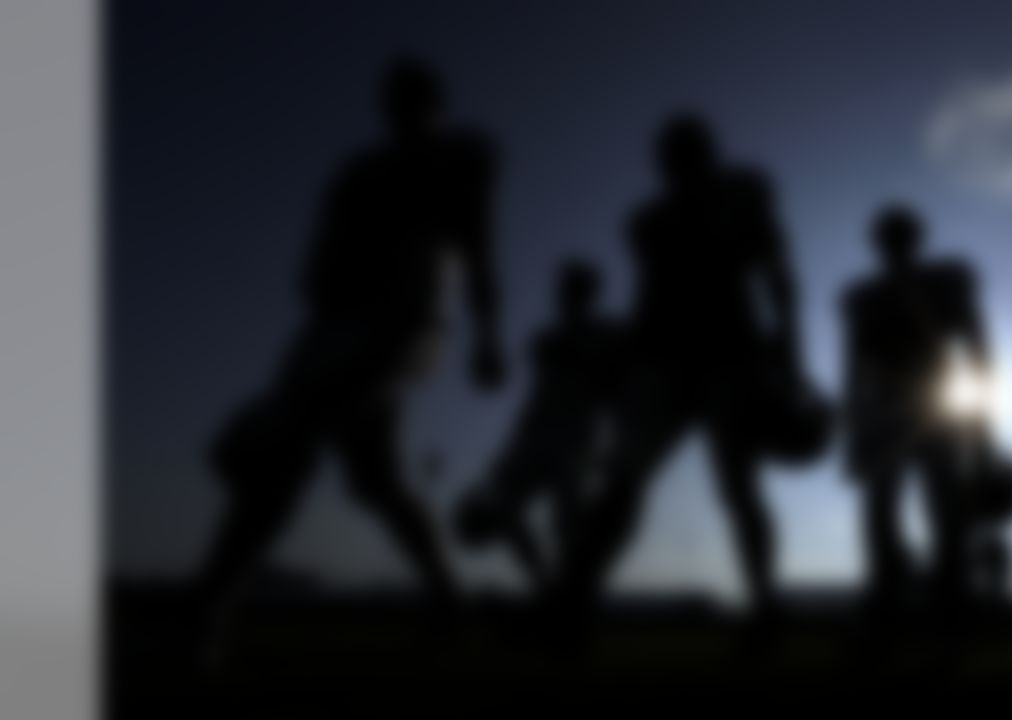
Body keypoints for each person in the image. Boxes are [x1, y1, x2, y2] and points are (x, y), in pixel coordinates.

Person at [192, 57, 503, 653]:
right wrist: (327, 298)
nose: (403, 110)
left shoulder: (460, 157)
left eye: (413, 98)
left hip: (404, 323)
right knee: (375, 482)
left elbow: (479, 243)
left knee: (287, 448)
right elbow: (319, 264)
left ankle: (209, 608)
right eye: (396, 99)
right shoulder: (358, 173)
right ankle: (453, 605)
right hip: (335, 328)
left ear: (434, 102)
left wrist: (488, 333)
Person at [552, 114, 803, 633]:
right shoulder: (648, 219)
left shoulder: (743, 191)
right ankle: (573, 601)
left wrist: (791, 357)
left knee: (734, 485)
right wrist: (623, 368)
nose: (676, 164)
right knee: (624, 481)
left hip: (729, 353)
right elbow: (648, 299)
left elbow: (776, 269)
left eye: (684, 152)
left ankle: (765, 605)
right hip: (665, 360)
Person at [840, 204, 990, 622]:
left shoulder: (942, 282)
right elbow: (853, 364)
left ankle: (939, 594)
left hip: (930, 402)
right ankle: (903, 592)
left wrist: (982, 415)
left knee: (931, 501)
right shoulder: (865, 295)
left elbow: (977, 344)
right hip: (904, 404)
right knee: (896, 503)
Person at [454, 260, 625, 589]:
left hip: (576, 436)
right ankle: (547, 586)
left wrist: (613, 442)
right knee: (504, 508)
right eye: (565, 290)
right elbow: (536, 398)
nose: (568, 297)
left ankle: (567, 597)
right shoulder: (545, 340)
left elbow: (615, 391)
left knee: (567, 523)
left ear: (589, 294)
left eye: (575, 290)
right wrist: (508, 449)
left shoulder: (606, 336)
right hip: (534, 434)